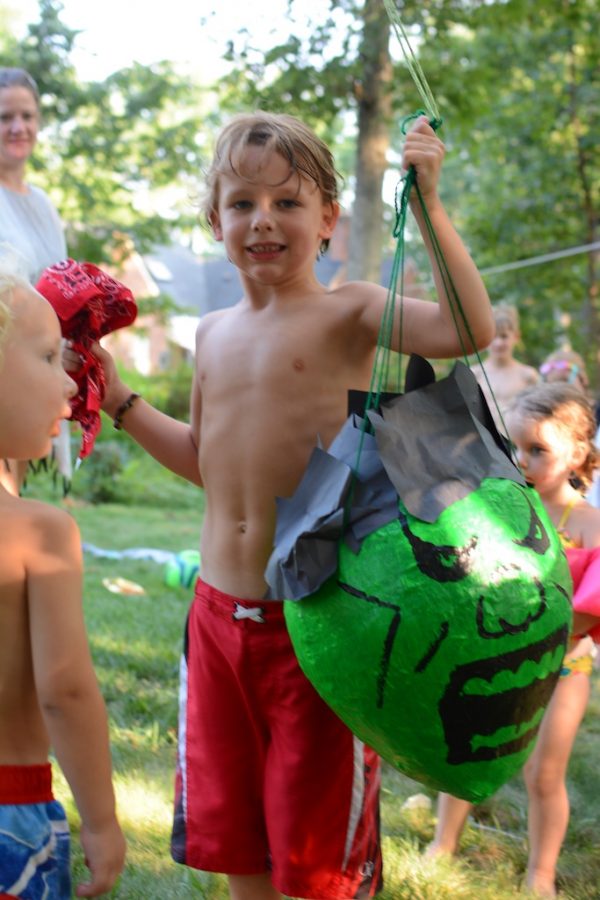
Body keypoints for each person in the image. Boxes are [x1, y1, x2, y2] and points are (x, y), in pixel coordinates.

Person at [88, 110, 493, 900]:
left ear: (328, 219)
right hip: (214, 622)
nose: (263, 220)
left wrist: (432, 206)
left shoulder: (352, 313)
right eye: (242, 203)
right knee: (236, 840)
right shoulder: (211, 332)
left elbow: (468, 329)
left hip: (317, 627)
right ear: (215, 221)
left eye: (288, 203)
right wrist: (122, 401)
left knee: (316, 866)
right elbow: (209, 463)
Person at [427, 381, 600, 898]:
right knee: (469, 754)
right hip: (493, 659)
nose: (520, 461)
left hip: (564, 669)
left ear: (577, 453)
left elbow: (590, 607)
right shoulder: (499, 508)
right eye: (513, 448)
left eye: (537, 450)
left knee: (544, 776)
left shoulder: (589, 524)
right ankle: (442, 844)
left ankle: (540, 874)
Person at [0, 259, 125, 898]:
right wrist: (101, 823)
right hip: (11, 816)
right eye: (50, 359)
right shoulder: (39, 532)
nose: (72, 384)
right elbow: (66, 692)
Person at [0, 66, 70, 496]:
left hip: (38, 370)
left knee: (12, 503)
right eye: (4, 117)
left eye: (27, 115)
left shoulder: (43, 205)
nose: (18, 127)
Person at [469, 301, 538, 430]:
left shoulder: (528, 375)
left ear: (516, 337)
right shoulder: (474, 374)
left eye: (504, 336)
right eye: (493, 336)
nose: (498, 343)